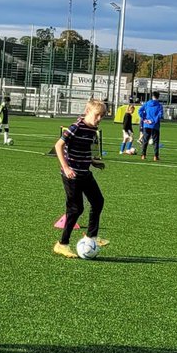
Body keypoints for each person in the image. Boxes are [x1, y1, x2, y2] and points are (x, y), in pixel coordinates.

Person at [53, 99, 108, 258]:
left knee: (98, 201)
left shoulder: (93, 128)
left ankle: (92, 236)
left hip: (84, 172)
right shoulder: (75, 127)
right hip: (72, 175)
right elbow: (58, 146)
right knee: (76, 209)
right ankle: (62, 244)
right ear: (88, 112)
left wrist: (92, 162)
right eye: (97, 115)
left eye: (102, 116)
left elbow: (82, 149)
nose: (99, 119)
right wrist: (66, 167)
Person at [138, 91, 164, 161]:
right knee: (156, 141)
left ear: (152, 96)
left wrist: (144, 119)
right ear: (158, 97)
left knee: (145, 140)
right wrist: (153, 121)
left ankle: (143, 155)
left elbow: (140, 111)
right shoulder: (159, 105)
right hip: (155, 126)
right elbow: (160, 115)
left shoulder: (147, 103)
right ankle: (155, 156)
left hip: (146, 125)